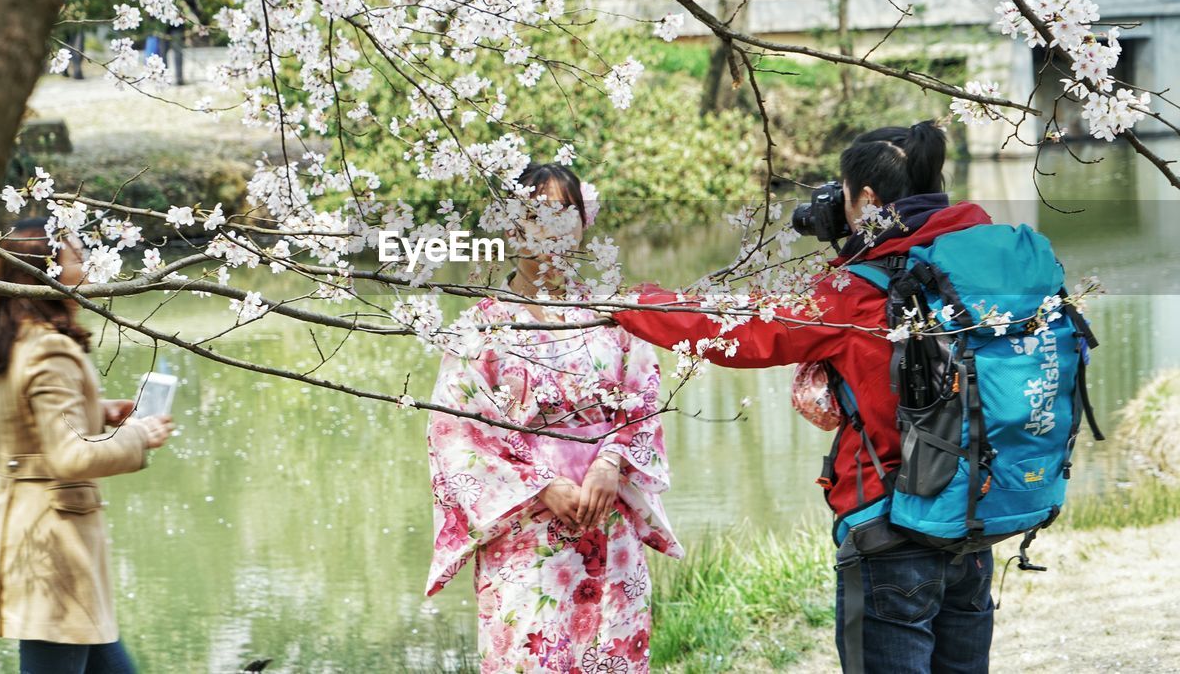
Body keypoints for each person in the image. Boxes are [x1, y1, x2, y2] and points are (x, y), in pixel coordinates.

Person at [610, 122, 999, 673]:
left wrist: (634, 303)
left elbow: (740, 331)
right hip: (974, 521)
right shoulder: (978, 264)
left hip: (894, 527)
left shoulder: (859, 289)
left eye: (842, 194)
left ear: (867, 198)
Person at [426, 163, 683, 673]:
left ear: (583, 224)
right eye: (534, 214)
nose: (550, 229)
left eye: (564, 214)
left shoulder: (613, 316)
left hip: (607, 515)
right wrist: (542, 485)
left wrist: (611, 462)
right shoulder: (482, 327)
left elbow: (643, 398)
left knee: (612, 654)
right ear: (509, 223)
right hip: (524, 528)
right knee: (529, 654)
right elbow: (457, 434)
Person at [0, 220, 175, 674]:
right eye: (79, 257)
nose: (89, 264)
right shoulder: (49, 351)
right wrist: (140, 435)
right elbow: (69, 455)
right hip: (52, 548)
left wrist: (96, 411)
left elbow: (25, 424)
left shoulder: (13, 342)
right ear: (47, 273)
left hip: (27, 530)